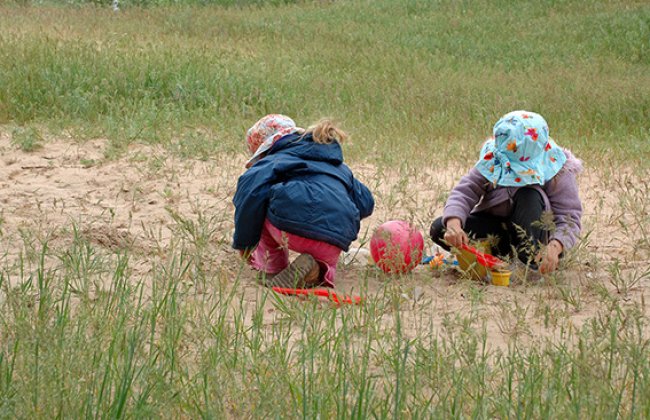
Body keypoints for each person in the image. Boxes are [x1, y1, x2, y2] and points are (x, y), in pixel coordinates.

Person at [429, 110, 583, 278]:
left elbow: (569, 218)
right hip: (498, 231)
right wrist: (454, 225)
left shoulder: (557, 169)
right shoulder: (494, 160)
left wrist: (555, 246)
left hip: (535, 236)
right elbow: (465, 192)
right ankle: (492, 258)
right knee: (440, 228)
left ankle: (528, 262)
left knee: (529, 195)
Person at [232, 114, 374, 288]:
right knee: (324, 254)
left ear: (265, 150)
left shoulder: (274, 160)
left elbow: (249, 196)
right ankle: (320, 270)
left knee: (259, 200)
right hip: (335, 239)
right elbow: (366, 202)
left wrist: (244, 244)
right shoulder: (340, 168)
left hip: (292, 231)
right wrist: (337, 218)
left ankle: (272, 269)